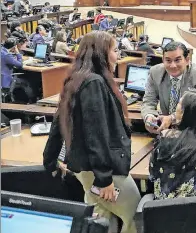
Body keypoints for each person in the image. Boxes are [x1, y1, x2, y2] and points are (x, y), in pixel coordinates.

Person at [43, 31, 140, 233]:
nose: (117, 55)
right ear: (101, 53)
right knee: (136, 216)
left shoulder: (77, 79)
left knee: (102, 222)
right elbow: (96, 134)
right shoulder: (93, 83)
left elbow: (58, 120)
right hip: (101, 171)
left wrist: (50, 159)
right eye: (114, 50)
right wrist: (104, 179)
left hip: (86, 170)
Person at [142, 42, 196, 134]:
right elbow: (149, 100)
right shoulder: (155, 72)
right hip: (164, 130)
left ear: (187, 60)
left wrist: (172, 118)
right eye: (168, 60)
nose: (172, 65)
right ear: (163, 60)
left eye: (177, 60)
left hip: (191, 130)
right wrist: (149, 116)